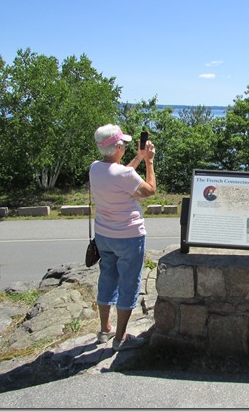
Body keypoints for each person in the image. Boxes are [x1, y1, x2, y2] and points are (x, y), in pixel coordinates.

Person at [89, 123, 156, 352]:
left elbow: (119, 174)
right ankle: (120, 338)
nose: (125, 147)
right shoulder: (125, 174)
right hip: (129, 237)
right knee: (129, 283)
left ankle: (104, 329)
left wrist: (137, 158)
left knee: (107, 278)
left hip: (104, 235)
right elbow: (149, 190)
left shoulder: (94, 168)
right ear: (118, 147)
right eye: (124, 145)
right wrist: (148, 161)